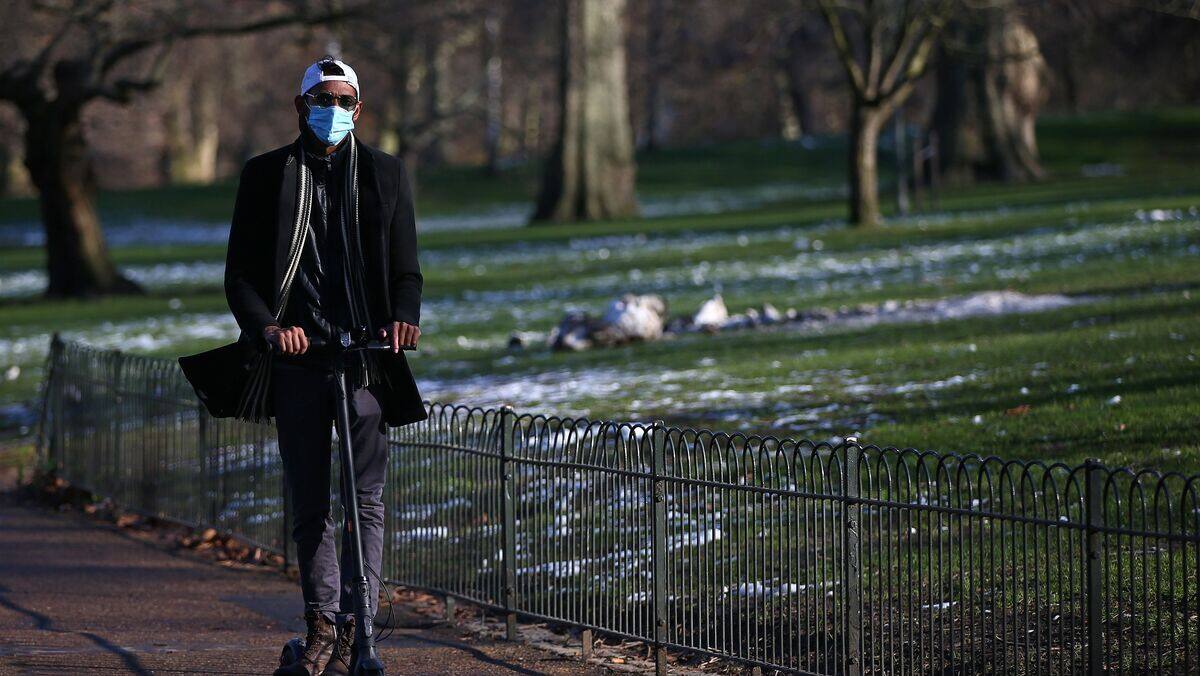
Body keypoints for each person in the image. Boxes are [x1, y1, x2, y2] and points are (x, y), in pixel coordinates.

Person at [222, 56, 427, 676]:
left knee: (366, 501)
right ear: (300, 105)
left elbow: (406, 270)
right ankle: (321, 626)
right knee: (311, 505)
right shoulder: (266, 175)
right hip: (299, 360)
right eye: (321, 100)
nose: (332, 111)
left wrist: (403, 317)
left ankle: (361, 631)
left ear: (358, 110)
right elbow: (240, 276)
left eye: (343, 102)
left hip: (365, 360)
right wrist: (269, 328)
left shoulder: (386, 174)